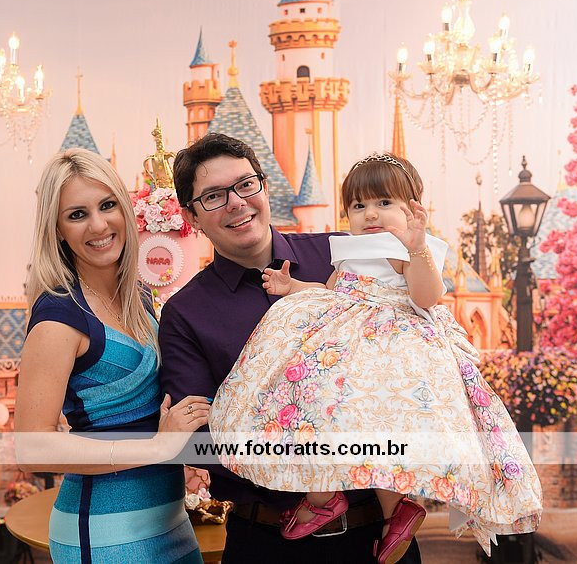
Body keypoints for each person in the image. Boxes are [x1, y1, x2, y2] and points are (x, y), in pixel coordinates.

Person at [208, 152, 543, 563]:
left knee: (381, 424)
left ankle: (389, 506)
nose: (370, 214)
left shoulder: (406, 249)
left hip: (390, 346)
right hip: (346, 341)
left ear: (412, 209)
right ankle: (333, 496)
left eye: (384, 203)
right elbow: (331, 292)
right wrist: (292, 287)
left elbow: (427, 296)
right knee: (318, 405)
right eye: (358, 205)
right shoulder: (349, 251)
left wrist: (417, 249)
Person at [159, 133, 421, 563]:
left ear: (264, 187)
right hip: (269, 541)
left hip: (377, 534)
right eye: (214, 196)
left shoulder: (344, 255)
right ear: (191, 216)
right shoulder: (186, 313)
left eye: (246, 184)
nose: (237, 202)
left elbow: (411, 340)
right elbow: (201, 435)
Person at [16, 148, 210, 563]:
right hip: (104, 534)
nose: (99, 225)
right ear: (57, 230)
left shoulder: (139, 296)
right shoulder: (59, 316)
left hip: (170, 521)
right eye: (77, 214)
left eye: (107, 205)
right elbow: (32, 448)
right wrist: (157, 448)